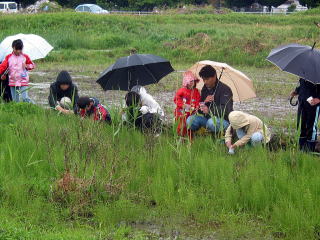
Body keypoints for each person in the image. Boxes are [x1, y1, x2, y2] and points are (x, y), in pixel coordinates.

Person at [187, 65, 233, 134]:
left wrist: (209, 111)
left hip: (224, 121)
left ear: (214, 77)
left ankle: (224, 136)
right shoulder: (205, 89)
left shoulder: (225, 89)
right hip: (208, 119)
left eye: (207, 79)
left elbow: (226, 109)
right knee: (190, 120)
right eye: (203, 79)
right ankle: (198, 135)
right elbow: (200, 111)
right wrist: (204, 102)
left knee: (211, 122)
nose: (205, 82)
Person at [291, 78, 320, 151]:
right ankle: (302, 148)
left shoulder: (317, 74)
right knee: (302, 125)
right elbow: (302, 86)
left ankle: (310, 149)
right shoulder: (303, 75)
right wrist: (296, 91)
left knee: (312, 125)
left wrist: (319, 99)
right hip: (303, 102)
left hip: (314, 104)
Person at [174, 71, 200, 137]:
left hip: (191, 112)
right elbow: (176, 99)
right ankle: (180, 138)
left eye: (193, 81)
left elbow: (198, 100)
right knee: (181, 126)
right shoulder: (182, 90)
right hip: (181, 112)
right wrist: (183, 105)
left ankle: (190, 139)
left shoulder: (196, 91)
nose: (192, 83)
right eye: (190, 81)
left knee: (190, 126)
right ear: (186, 82)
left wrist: (197, 106)